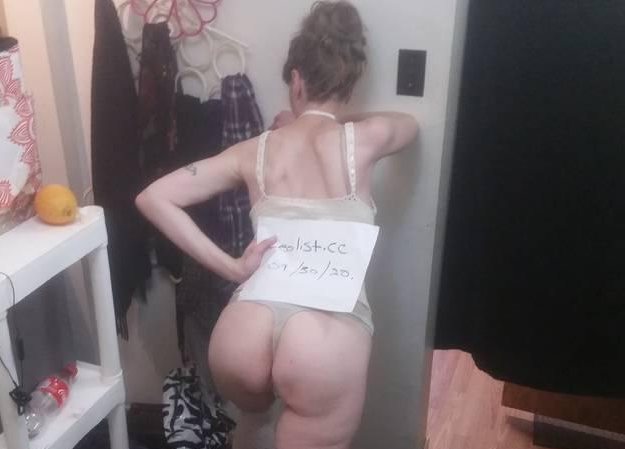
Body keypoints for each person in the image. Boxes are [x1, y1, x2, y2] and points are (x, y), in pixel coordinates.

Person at [136, 2, 418, 448]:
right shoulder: (366, 140)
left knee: (253, 431)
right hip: (323, 343)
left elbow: (153, 198)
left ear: (296, 80)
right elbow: (410, 124)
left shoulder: (255, 150)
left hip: (244, 330)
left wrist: (232, 267)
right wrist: (340, 121)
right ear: (349, 85)